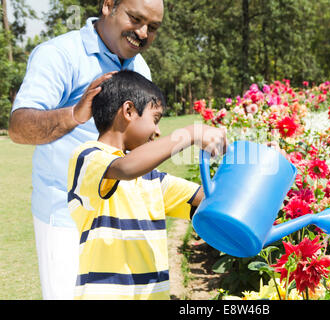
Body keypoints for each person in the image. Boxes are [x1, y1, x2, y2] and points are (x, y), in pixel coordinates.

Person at [8, 0, 165, 299]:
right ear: (108, 5)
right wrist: (74, 114)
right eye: (135, 18)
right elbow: (18, 128)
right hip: (67, 219)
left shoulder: (140, 66)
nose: (143, 33)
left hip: (122, 220)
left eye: (153, 28)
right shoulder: (59, 55)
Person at [67, 70, 227, 299]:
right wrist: (189, 134)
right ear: (129, 111)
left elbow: (210, 198)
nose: (158, 131)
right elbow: (125, 168)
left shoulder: (152, 180)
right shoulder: (87, 158)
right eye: (156, 119)